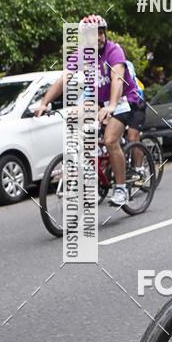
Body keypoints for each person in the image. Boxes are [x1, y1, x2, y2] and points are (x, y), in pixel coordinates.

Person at [35, 15, 141, 206]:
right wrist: (44, 103)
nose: (98, 37)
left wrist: (112, 106)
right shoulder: (81, 53)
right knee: (74, 116)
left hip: (123, 100)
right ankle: (86, 163)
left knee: (110, 140)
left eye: (100, 33)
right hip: (99, 101)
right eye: (93, 34)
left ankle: (121, 188)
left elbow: (117, 79)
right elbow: (63, 80)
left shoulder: (114, 51)